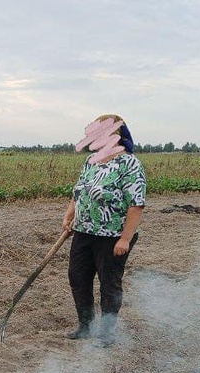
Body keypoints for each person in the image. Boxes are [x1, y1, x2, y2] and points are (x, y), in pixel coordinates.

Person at [62, 114, 147, 347]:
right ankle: (85, 326)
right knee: (78, 277)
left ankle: (107, 334)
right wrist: (70, 214)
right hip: (83, 232)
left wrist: (125, 239)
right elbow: (79, 190)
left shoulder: (129, 164)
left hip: (111, 237)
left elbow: (136, 203)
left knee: (109, 283)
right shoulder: (91, 160)